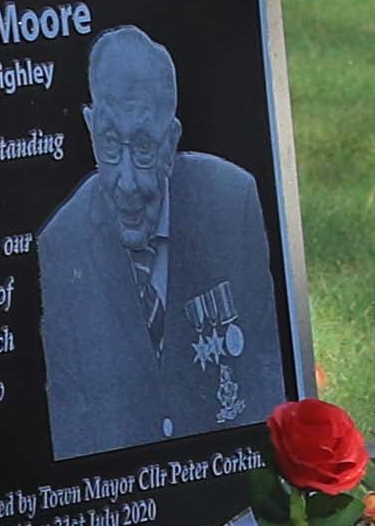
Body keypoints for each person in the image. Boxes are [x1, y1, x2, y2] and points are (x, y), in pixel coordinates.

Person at [36, 27, 289, 459]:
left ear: (172, 143)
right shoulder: (62, 244)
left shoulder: (231, 201)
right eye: (111, 145)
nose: (127, 182)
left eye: (145, 147)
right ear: (90, 128)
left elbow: (267, 364)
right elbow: (71, 421)